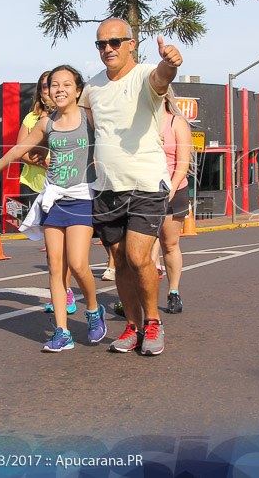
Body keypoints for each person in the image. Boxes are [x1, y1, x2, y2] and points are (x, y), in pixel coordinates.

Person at [0, 65, 105, 352]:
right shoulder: (46, 123)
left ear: (78, 90)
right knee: (55, 266)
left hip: (82, 197)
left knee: (79, 264)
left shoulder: (90, 118)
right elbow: (20, 149)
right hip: (53, 199)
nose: (59, 89)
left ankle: (94, 312)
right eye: (54, 85)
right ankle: (62, 331)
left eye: (66, 84)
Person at [79, 18, 182, 357]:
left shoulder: (145, 75)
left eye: (115, 42)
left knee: (139, 257)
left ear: (131, 44)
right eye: (101, 44)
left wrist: (170, 64)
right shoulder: (91, 88)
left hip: (146, 184)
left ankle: (153, 322)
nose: (108, 49)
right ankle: (133, 327)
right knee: (120, 261)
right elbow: (83, 130)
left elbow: (161, 80)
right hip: (107, 187)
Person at [21, 71, 76, 315]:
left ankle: (67, 291)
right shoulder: (32, 118)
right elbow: (20, 150)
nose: (48, 90)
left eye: (51, 85)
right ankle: (59, 292)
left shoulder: (70, 117)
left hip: (66, 186)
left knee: (67, 249)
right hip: (37, 186)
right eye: (44, 86)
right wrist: (39, 161)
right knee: (53, 249)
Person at [156, 87, 192, 314]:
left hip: (173, 189)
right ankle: (144, 296)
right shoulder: (137, 123)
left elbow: (183, 163)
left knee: (169, 244)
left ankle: (173, 292)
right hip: (143, 192)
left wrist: (170, 189)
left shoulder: (176, 122)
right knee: (144, 248)